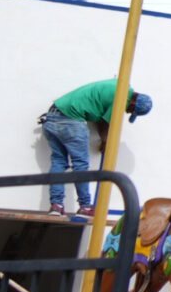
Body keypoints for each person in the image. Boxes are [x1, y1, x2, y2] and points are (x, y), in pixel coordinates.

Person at [38, 80, 151, 216]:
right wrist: (105, 142)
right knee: (80, 164)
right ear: (133, 103)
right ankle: (85, 206)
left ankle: (56, 206)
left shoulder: (120, 84)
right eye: (131, 110)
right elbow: (104, 123)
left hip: (51, 117)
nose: (127, 111)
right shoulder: (121, 99)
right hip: (71, 121)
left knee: (58, 162)